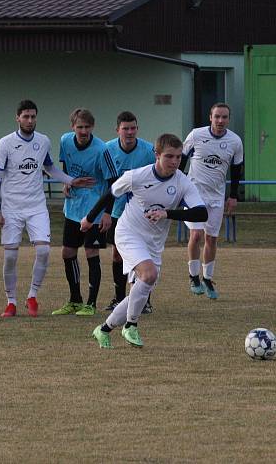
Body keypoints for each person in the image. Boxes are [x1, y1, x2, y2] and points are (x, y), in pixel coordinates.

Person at [88, 133, 207, 349]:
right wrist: (89, 218)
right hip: (128, 233)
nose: (174, 162)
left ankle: (104, 329)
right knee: (149, 274)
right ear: (157, 155)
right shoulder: (137, 176)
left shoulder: (182, 181)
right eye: (169, 156)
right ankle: (130, 326)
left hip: (154, 243)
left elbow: (201, 213)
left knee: (141, 289)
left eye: (179, 157)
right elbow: (110, 193)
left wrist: (167, 214)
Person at [0, 100, 94, 318]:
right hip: (11, 208)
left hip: (36, 206)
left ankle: (32, 296)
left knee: (44, 251)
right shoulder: (5, 144)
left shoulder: (43, 141)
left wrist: (71, 180)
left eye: (33, 116)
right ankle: (11, 302)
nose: (29, 120)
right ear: (17, 118)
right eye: (25, 116)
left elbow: (49, 168)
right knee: (10, 257)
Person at [51, 108, 118, 317]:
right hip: (73, 208)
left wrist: (108, 213)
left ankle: (91, 303)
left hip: (95, 211)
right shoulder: (65, 141)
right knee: (67, 252)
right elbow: (65, 165)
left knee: (91, 252)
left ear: (92, 127)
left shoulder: (101, 149)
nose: (83, 131)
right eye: (79, 127)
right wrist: (67, 182)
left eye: (87, 127)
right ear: (72, 127)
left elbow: (114, 183)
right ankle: (74, 300)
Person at [181, 102, 243, 300]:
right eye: (217, 116)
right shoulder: (196, 135)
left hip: (216, 196)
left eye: (224, 117)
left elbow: (236, 170)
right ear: (210, 117)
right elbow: (180, 160)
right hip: (193, 193)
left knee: (211, 238)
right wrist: (177, 187)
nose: (220, 121)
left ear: (228, 119)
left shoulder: (235, 141)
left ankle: (207, 278)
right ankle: (193, 276)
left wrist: (233, 196)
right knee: (196, 234)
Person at [104, 111, 156, 313]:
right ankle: (119, 298)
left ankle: (145, 300)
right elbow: (104, 181)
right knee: (117, 254)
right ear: (118, 130)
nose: (129, 132)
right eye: (125, 128)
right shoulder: (108, 150)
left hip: (142, 212)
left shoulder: (148, 150)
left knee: (144, 255)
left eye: (133, 128)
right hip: (117, 211)